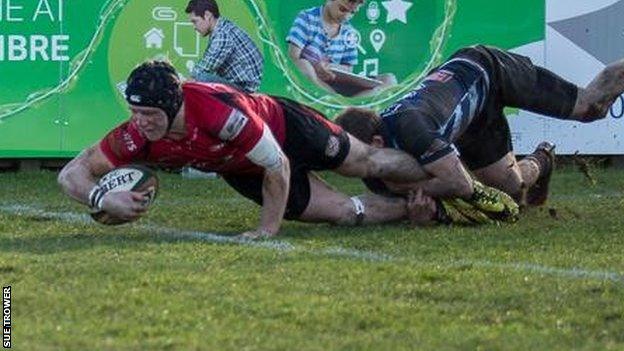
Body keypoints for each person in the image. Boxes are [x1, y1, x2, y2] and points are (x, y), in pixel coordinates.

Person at [58, 61, 511, 239]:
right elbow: (72, 173)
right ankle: (422, 208)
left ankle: (450, 174)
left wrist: (266, 229)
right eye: (135, 112)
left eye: (150, 114)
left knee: (363, 162)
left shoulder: (220, 112)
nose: (141, 123)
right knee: (343, 213)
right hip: (241, 167)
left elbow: (275, 162)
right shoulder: (136, 133)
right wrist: (102, 197)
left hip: (284, 127)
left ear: (174, 104)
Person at [335, 45, 624, 206]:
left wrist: (411, 191)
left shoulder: (410, 126)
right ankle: (543, 159)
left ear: (376, 145)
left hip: (487, 67)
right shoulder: (375, 167)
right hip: (471, 115)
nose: (352, 164)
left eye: (353, 155)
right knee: (512, 190)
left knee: (590, 107)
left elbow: (458, 183)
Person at [286, 0, 396, 96]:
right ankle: (338, 102)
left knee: (389, 79)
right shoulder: (307, 18)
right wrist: (316, 68)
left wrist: (330, 67)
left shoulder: (349, 31)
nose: (346, 16)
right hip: (314, 81)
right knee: (303, 65)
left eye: (352, 13)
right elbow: (293, 58)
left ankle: (350, 105)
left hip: (337, 84)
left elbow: (349, 69)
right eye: (342, 9)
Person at [186, 0, 263, 93]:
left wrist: (183, 84)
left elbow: (204, 68)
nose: (194, 26)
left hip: (249, 93)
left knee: (202, 78)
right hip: (244, 87)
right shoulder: (223, 28)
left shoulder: (223, 35)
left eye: (195, 21)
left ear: (207, 15)